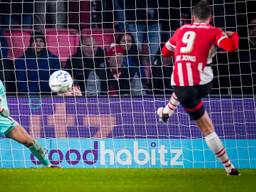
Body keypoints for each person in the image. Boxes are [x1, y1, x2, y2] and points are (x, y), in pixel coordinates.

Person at [157, 1, 240, 176]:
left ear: (193, 16)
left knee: (206, 127)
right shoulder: (215, 31)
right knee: (189, 83)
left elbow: (164, 52)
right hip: (203, 83)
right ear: (210, 18)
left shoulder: (181, 30)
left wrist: (181, 55)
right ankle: (165, 113)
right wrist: (233, 34)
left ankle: (229, 167)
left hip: (182, 86)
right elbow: (232, 47)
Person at [0, 79, 57, 168]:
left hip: (2, 121)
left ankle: (48, 165)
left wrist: (1, 109)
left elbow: (6, 113)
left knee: (29, 142)